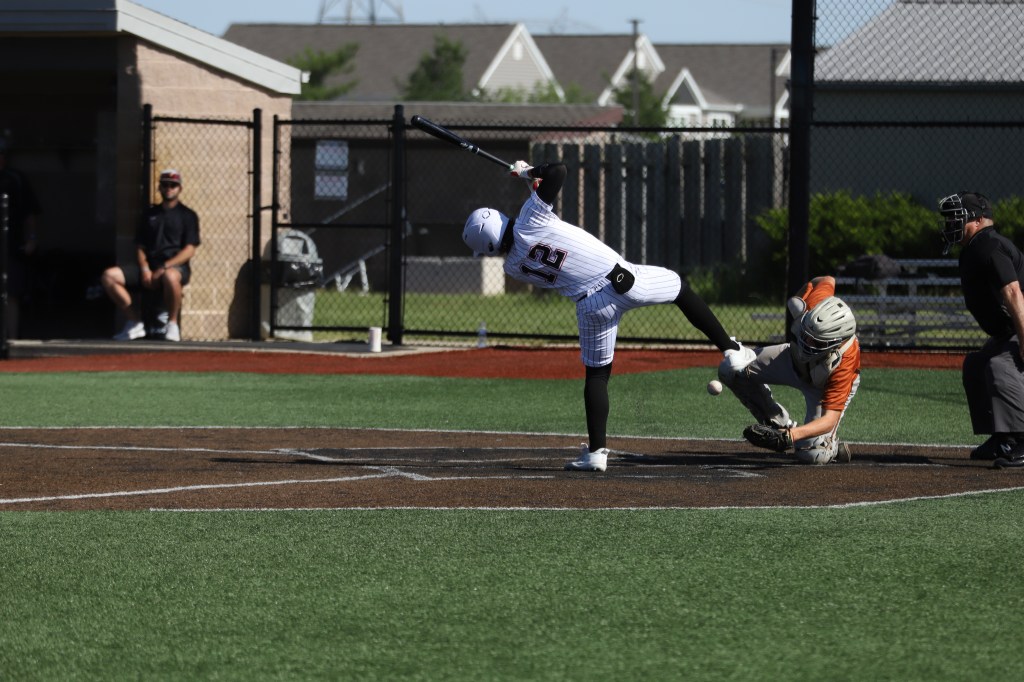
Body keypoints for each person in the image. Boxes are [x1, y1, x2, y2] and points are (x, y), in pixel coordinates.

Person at [462, 159, 754, 472]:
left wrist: (530, 183)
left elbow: (541, 221)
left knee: (597, 376)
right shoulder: (529, 218)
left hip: (591, 307)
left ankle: (596, 453)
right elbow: (558, 171)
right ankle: (730, 349)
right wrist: (529, 172)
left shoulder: (512, 266)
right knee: (680, 290)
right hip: (623, 282)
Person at [719, 275, 860, 465]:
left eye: (816, 341)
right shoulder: (816, 303)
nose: (807, 342)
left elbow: (829, 419)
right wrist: (800, 295)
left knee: (813, 455)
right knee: (731, 368)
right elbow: (827, 279)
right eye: (806, 335)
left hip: (822, 386)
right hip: (791, 359)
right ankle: (779, 424)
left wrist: (791, 437)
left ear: (836, 343)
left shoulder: (845, 363)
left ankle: (830, 446)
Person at [938, 191, 1024, 468]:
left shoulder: (989, 245)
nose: (950, 224)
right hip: (1006, 332)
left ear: (976, 220)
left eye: (956, 218)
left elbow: (1013, 292)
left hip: (1020, 327)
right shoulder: (975, 247)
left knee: (1001, 367)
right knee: (976, 365)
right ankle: (1003, 437)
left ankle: (1021, 439)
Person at [100, 169, 200, 342]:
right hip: (149, 269)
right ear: (159, 187)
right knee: (109, 276)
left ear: (180, 189)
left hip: (173, 268)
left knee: (170, 277)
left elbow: (190, 250)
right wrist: (145, 269)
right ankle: (135, 322)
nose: (169, 188)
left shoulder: (188, 216)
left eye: (173, 185)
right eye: (165, 185)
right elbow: (140, 246)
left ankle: (172, 324)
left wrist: (164, 267)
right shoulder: (149, 214)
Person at [0, 134, 43, 338]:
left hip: (11, 243)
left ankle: (12, 338)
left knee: (11, 294)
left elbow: (30, 212)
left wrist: (31, 238)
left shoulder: (15, 178)